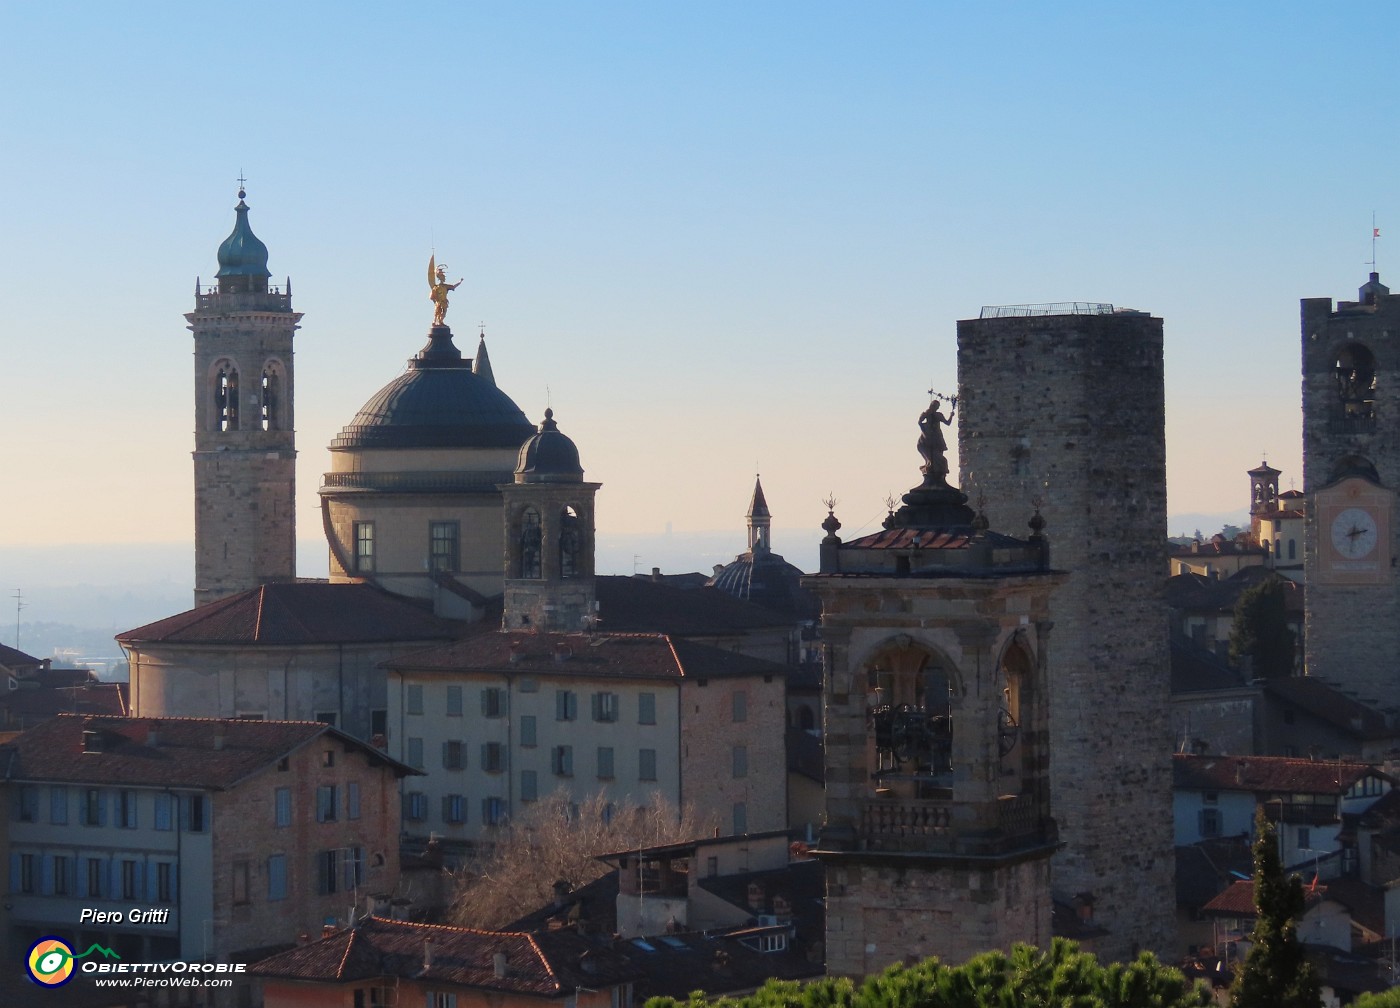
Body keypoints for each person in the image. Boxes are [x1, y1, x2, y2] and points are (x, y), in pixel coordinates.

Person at [917, 397, 956, 478]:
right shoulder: (931, 414)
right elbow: (920, 422)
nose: (937, 408)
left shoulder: (937, 415)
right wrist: (924, 430)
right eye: (936, 406)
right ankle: (930, 464)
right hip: (933, 436)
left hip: (936, 437)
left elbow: (947, 423)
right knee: (933, 454)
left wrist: (951, 416)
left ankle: (935, 466)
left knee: (938, 453)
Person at [428, 256, 462, 326]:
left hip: (444, 302)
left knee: (443, 312)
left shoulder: (445, 286)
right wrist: (436, 300)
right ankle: (435, 321)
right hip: (439, 302)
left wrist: (459, 282)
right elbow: (431, 297)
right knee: (437, 312)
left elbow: (453, 286)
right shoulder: (436, 287)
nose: (443, 278)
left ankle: (440, 321)